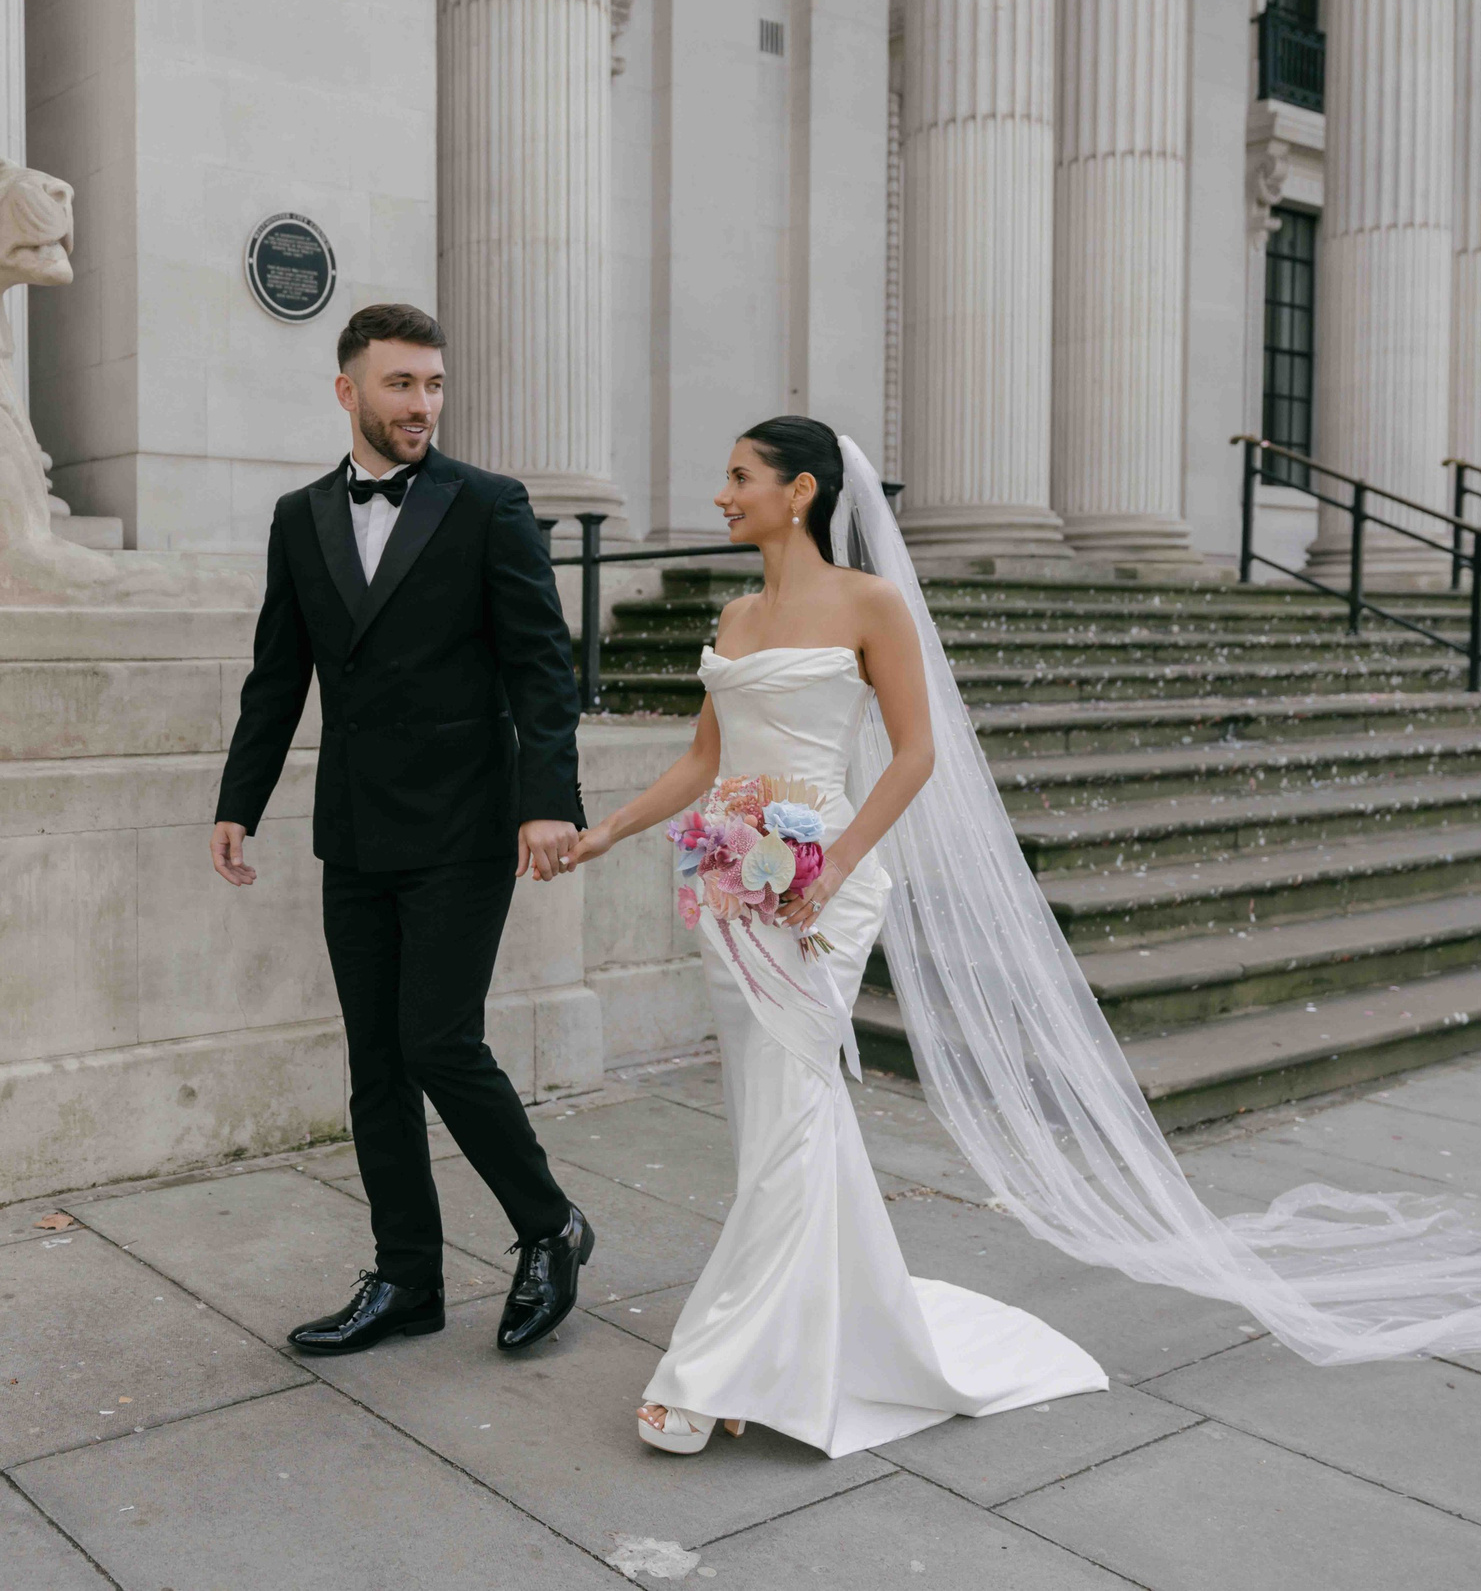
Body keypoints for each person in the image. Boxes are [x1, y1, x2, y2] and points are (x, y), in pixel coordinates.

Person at [566, 416, 1107, 1455]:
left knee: (791, 1111)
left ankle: (713, 1366)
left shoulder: (870, 603)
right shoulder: (732, 610)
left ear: (800, 489)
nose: (721, 495)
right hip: (730, 885)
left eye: (738, 477)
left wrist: (837, 865)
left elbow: (913, 754)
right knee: (773, 1118)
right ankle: (796, 1335)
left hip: (824, 888)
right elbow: (701, 764)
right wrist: (605, 834)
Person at [210, 302, 594, 1357]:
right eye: (399, 385)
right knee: (375, 1063)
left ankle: (548, 1224)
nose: (421, 404)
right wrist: (239, 799)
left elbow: (540, 668)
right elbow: (278, 672)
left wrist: (547, 796)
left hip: (467, 823)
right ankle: (407, 1280)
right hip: (355, 828)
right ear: (348, 391)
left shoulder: (487, 504)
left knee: (436, 1040)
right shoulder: (299, 517)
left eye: (431, 384)